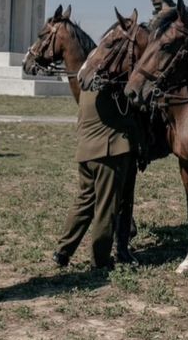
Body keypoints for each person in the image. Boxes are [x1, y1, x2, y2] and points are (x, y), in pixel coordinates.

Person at [52, 82, 141, 270]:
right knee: (106, 208)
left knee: (84, 201)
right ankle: (100, 260)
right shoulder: (114, 88)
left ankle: (62, 251)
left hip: (86, 152)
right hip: (108, 154)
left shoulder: (87, 83)